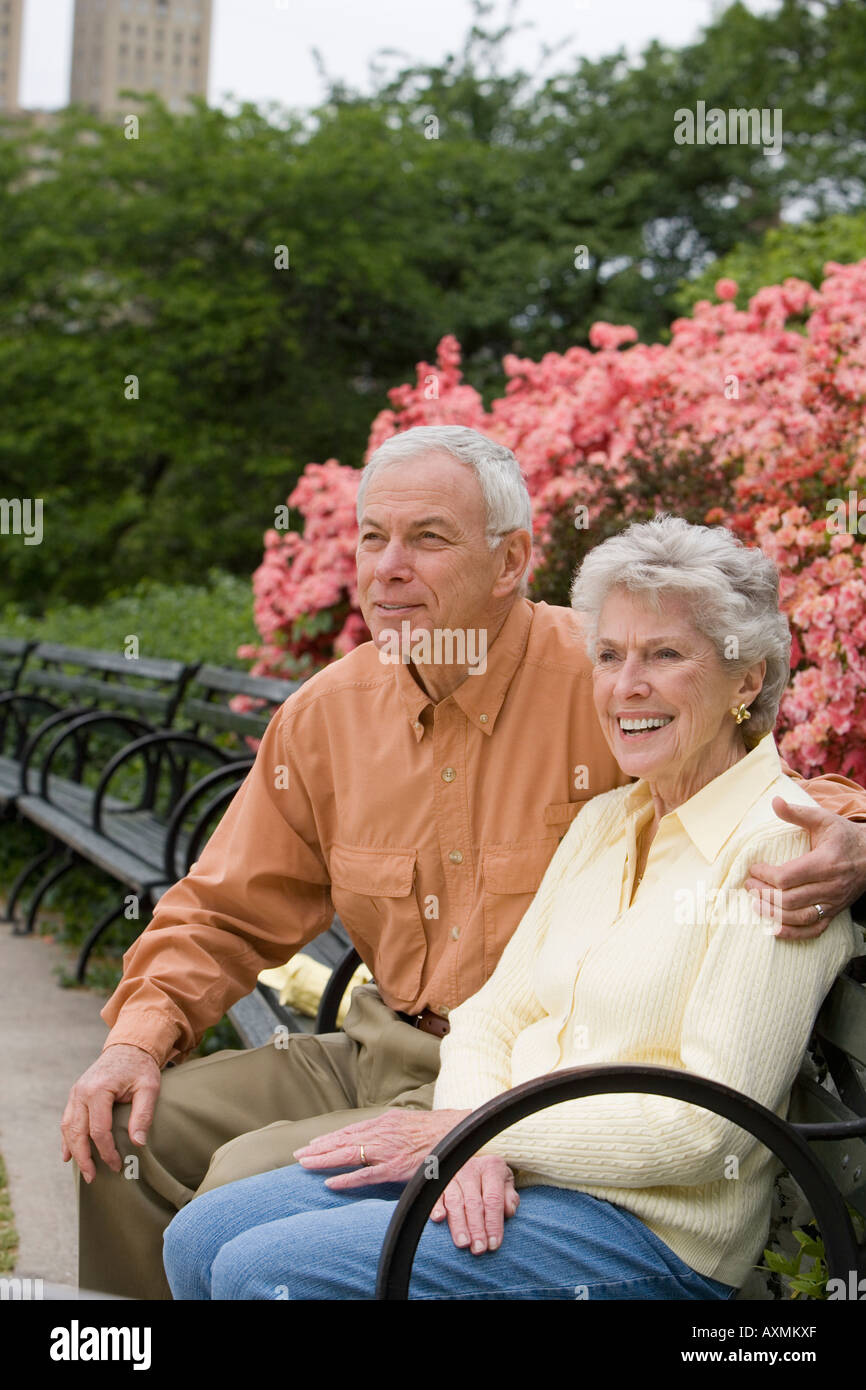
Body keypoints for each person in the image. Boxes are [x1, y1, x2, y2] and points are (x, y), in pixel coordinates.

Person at [62, 428, 866, 1300]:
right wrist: (134, 1042)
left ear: (512, 558)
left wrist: (858, 833)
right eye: (373, 538)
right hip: (390, 1044)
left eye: (429, 538)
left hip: (531, 1102)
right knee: (123, 1134)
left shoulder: (595, 679)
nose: (388, 567)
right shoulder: (329, 717)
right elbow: (223, 910)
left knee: (246, 1204)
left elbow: (761, 789)